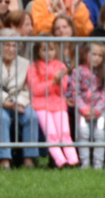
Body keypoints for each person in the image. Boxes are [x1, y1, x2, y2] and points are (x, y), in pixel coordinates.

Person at [29, 15, 77, 167]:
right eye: (44, 50)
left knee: (64, 133)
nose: (48, 53)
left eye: (51, 49)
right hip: (41, 105)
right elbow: (36, 89)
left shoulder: (60, 65)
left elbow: (63, 89)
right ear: (38, 51)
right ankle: (60, 161)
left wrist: (59, 81)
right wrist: (52, 82)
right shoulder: (33, 67)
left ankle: (73, 160)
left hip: (59, 104)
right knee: (51, 134)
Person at [0, 26, 40, 168]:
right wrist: (5, 101)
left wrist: (19, 102)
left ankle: (29, 159)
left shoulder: (24, 63)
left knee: (31, 116)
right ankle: (4, 160)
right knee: (2, 118)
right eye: (7, 45)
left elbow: (27, 88)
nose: (10, 49)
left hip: (19, 102)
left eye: (13, 45)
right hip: (1, 103)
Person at [69, 41, 105, 168]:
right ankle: (85, 162)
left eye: (100, 55)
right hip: (83, 110)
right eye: (93, 54)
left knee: (100, 133)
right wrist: (84, 109)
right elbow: (74, 92)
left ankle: (98, 162)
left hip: (100, 110)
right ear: (85, 54)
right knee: (83, 132)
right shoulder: (77, 71)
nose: (96, 58)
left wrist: (97, 110)